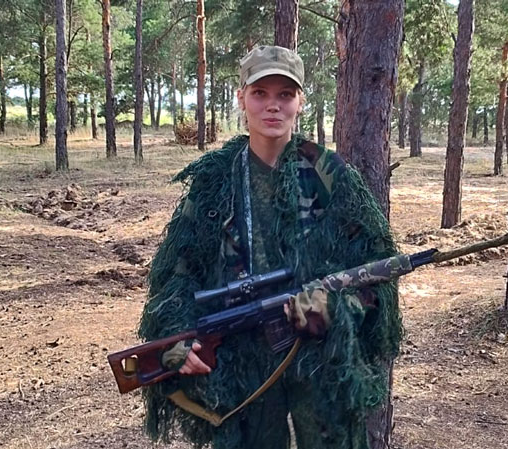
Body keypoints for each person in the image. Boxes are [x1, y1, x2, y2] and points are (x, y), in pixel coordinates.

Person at [138, 45, 403, 449]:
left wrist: (337, 309)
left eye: (285, 94)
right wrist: (178, 336)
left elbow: (377, 270)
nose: (273, 105)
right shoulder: (214, 180)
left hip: (322, 364)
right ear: (241, 98)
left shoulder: (328, 173)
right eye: (260, 93)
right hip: (242, 365)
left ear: (300, 102)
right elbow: (178, 275)